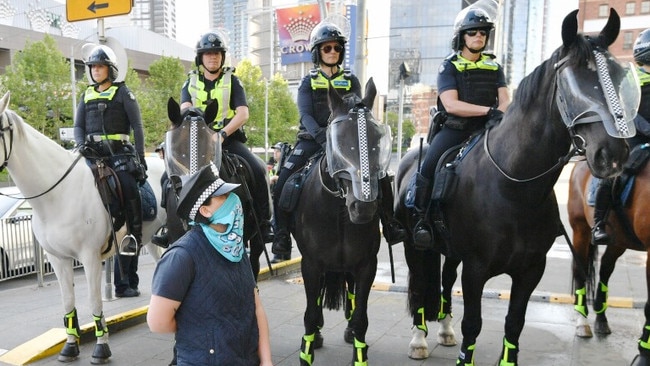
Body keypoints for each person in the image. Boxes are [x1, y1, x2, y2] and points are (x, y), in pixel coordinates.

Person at [270, 22, 406, 263]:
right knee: (283, 182)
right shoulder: (307, 82)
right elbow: (305, 115)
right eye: (326, 48)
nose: (332, 51)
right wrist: (323, 138)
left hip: (346, 143)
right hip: (313, 140)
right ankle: (281, 237)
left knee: (380, 175)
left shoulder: (351, 80)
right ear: (317, 52)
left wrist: (340, 140)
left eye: (336, 48)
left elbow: (356, 112)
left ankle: (390, 223)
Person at [147, 163, 272, 366]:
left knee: (256, 168)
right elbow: (158, 322)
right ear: (204, 210)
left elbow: (256, 307)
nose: (234, 200)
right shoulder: (182, 256)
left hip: (245, 359)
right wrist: (202, 328)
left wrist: (266, 361)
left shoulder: (235, 247)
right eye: (222, 197)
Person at [410, 9, 510, 249]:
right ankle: (421, 219)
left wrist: (499, 115)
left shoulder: (494, 67)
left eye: (483, 32)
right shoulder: (449, 66)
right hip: (456, 129)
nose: (479, 36)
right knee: (429, 164)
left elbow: (506, 100)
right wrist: (487, 111)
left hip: (489, 129)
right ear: (461, 37)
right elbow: (451, 104)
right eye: (473, 32)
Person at [180, 31, 274, 244]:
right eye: (208, 54)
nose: (213, 57)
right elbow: (184, 110)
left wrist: (221, 134)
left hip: (228, 140)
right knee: (169, 178)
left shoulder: (233, 81)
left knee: (259, 169)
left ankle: (265, 222)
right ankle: (170, 226)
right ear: (200, 57)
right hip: (198, 143)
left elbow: (243, 113)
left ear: (222, 57)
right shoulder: (190, 82)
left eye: (217, 54)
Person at [74, 44, 147, 298]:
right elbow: (78, 127)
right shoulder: (86, 95)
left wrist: (140, 158)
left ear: (110, 69)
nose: (96, 71)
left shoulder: (123, 92)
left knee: (129, 192)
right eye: (93, 67)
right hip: (92, 156)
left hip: (119, 156)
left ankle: (131, 249)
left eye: (100, 66)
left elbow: (137, 127)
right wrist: (81, 143)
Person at [592, 28, 650, 244]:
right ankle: (599, 222)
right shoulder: (631, 78)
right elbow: (627, 111)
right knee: (614, 173)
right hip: (635, 139)